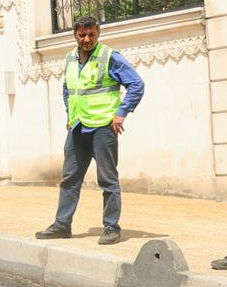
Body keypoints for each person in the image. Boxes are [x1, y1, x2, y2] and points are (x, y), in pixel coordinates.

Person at [35, 16, 145, 246]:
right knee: (69, 179)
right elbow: (68, 89)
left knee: (107, 179)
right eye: (82, 35)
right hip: (77, 127)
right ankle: (62, 225)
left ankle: (111, 227)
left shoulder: (109, 57)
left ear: (98, 34)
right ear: (75, 35)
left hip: (103, 127)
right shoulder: (70, 58)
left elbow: (137, 84)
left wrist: (122, 113)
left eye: (92, 34)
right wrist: (70, 113)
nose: (87, 39)